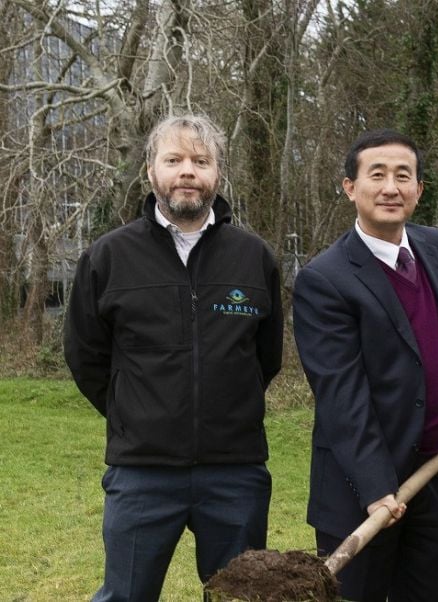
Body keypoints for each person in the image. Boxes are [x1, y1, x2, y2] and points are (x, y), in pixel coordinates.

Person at [63, 114, 283, 601]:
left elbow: (265, 357)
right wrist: (133, 413)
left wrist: (226, 408)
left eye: (201, 161)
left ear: (217, 175)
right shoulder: (108, 257)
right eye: (174, 159)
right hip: (142, 471)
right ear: (150, 171)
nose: (188, 171)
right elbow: (85, 354)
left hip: (235, 471)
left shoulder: (254, 258)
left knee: (240, 598)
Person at [292, 129, 438, 602]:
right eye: (376, 175)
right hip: (361, 492)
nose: (391, 187)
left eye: (404, 176)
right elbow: (342, 395)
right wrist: (377, 487)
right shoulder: (325, 279)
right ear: (350, 187)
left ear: (419, 189)